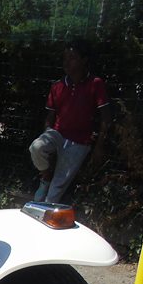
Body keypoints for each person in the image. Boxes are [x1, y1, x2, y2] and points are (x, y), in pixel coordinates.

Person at [30, 38, 111, 204]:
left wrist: (99, 146)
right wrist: (48, 137)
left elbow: (106, 116)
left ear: (84, 60)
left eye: (72, 58)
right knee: (36, 147)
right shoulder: (57, 86)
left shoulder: (95, 84)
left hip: (79, 141)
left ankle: (44, 210)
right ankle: (45, 177)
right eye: (65, 58)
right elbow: (50, 117)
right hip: (58, 134)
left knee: (55, 192)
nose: (66, 62)